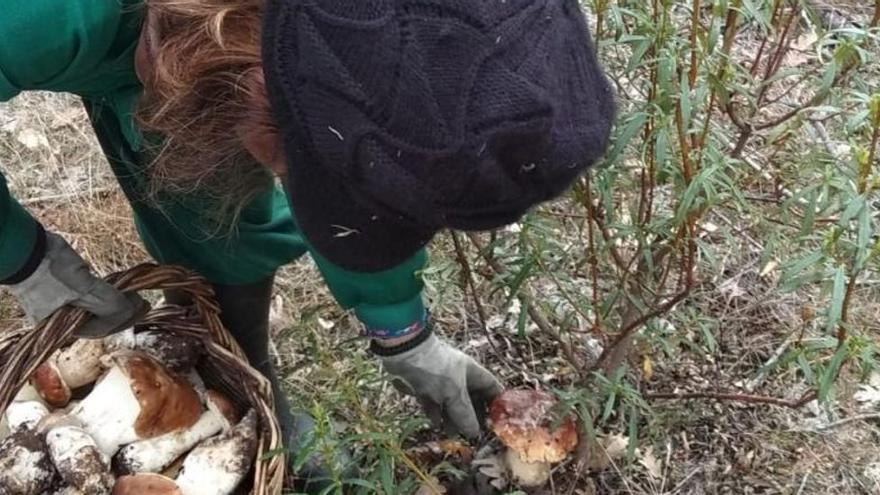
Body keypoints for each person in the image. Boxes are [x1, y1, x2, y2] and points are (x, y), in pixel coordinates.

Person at [1, 0, 614, 490]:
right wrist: (24, 257)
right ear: (265, 77)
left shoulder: (329, 41)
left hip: (204, 43)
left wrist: (403, 331)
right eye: (302, 162)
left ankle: (240, 386)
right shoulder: (41, 14)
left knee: (220, 217)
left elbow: (365, 171)